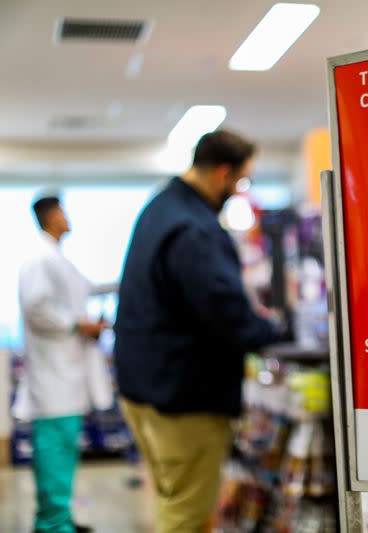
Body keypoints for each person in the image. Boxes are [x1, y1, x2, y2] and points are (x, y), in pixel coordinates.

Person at [114, 130, 281, 532]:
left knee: (179, 499)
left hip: (144, 387)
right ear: (222, 173)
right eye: (240, 181)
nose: (239, 191)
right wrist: (272, 330)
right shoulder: (195, 229)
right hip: (183, 397)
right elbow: (225, 312)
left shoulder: (160, 208)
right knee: (185, 515)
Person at [17, 194, 109, 533]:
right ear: (51, 216)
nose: (68, 218)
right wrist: (78, 324)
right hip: (52, 377)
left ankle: (60, 518)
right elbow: (37, 308)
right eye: (63, 212)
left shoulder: (59, 261)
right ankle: (52, 524)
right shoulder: (39, 260)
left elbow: (87, 291)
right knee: (55, 455)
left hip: (66, 376)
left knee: (65, 454)